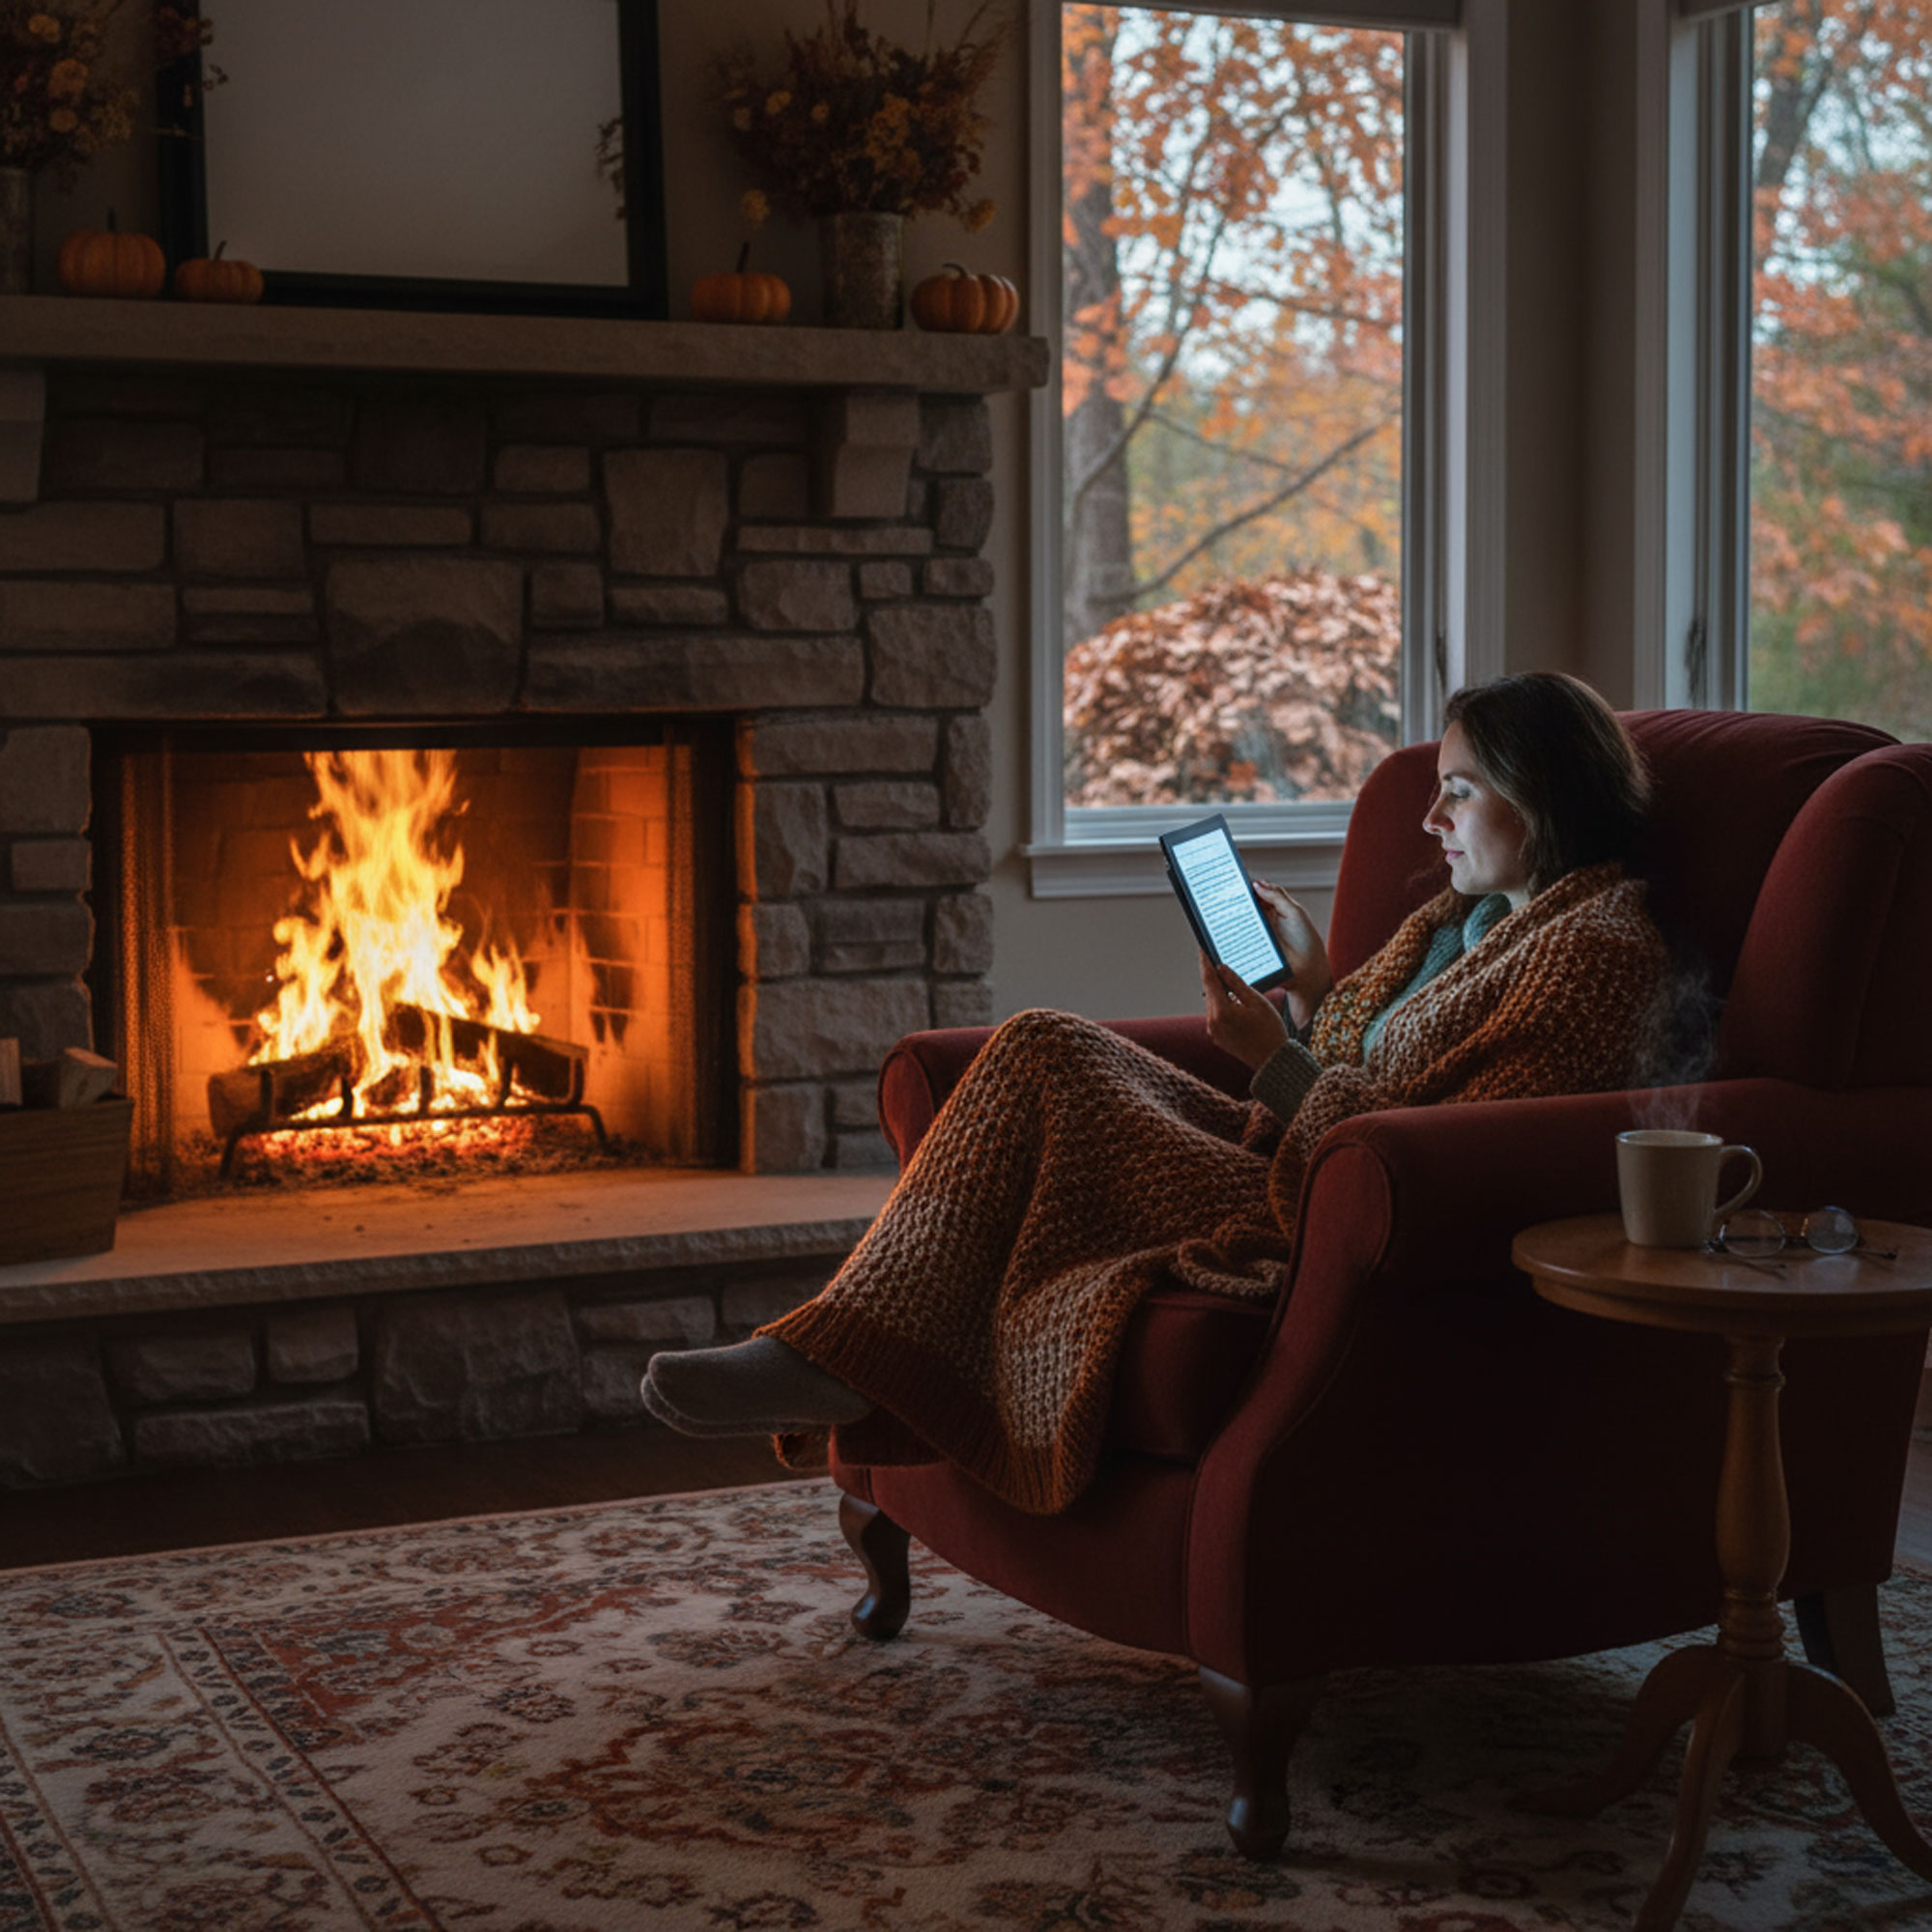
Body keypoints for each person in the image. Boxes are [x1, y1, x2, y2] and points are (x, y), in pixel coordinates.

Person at [644, 671, 1669, 1515]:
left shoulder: (1593, 952)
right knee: (1042, 1042)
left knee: (1049, 1066)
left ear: (1540, 793)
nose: (1427, 813)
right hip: (1283, 1153)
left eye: (1458, 788)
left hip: (1313, 1208)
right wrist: (1313, 990)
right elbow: (1368, 1064)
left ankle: (838, 1358)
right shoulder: (1463, 914)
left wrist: (1276, 1057)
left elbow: (1449, 1158)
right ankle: (840, 1340)